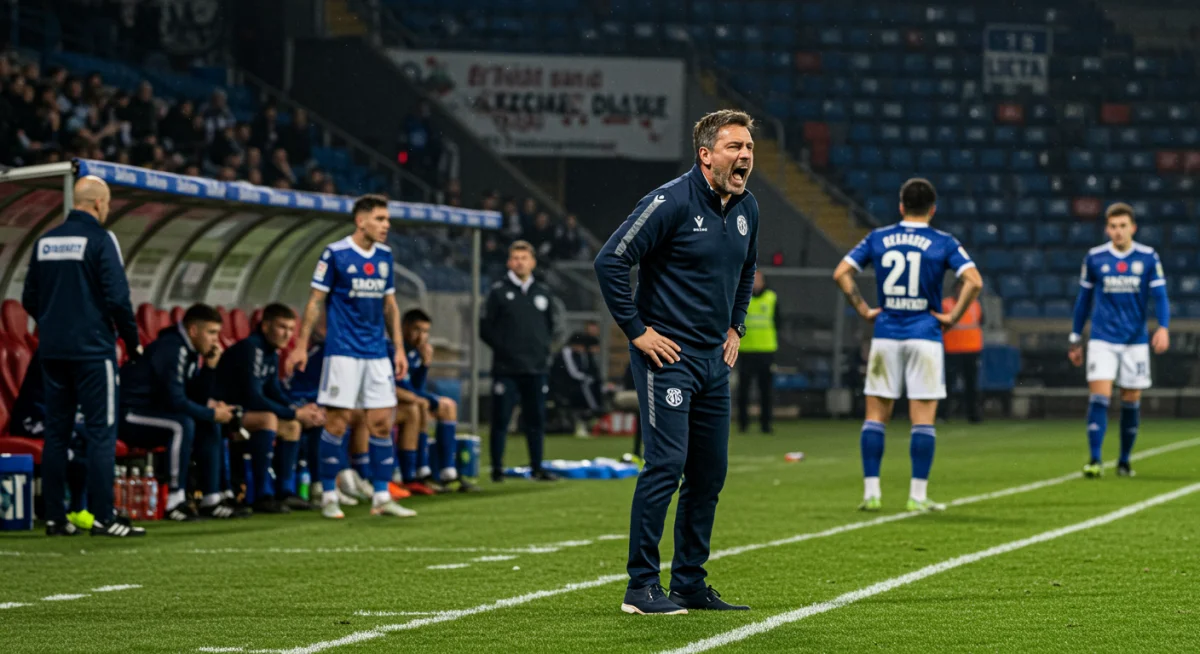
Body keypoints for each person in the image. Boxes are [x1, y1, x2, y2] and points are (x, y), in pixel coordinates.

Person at [594, 109, 758, 615]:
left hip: (713, 361)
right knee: (665, 465)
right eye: (734, 147)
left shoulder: (749, 204)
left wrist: (736, 325)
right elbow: (611, 259)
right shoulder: (668, 201)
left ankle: (688, 582)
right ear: (706, 155)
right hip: (669, 359)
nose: (745, 156)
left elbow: (747, 268)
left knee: (709, 473)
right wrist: (638, 333)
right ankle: (640, 587)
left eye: (749, 148)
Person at [832, 178, 983, 514]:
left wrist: (863, 309)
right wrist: (952, 317)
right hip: (925, 335)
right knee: (923, 420)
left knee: (875, 416)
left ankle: (872, 492)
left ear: (900, 206)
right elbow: (974, 281)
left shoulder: (879, 237)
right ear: (933, 209)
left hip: (886, 334)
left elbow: (841, 272)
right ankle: (917, 495)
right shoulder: (943, 241)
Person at [22, 176, 143, 537]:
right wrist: (131, 339)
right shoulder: (101, 240)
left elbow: (30, 297)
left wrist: (53, 323)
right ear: (99, 203)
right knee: (100, 433)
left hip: (53, 351)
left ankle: (57, 518)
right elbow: (118, 297)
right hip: (93, 352)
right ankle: (103, 516)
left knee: (56, 433)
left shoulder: (44, 242)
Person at [286, 194, 413, 519]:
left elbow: (390, 306)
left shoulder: (385, 256)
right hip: (342, 352)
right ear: (361, 221)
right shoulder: (336, 254)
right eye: (380, 219)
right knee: (338, 422)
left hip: (375, 353)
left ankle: (382, 496)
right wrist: (301, 345)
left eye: (387, 219)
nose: (386, 225)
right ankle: (328, 493)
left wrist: (398, 348)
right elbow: (316, 301)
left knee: (381, 423)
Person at [1068, 203, 1170, 478]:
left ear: (1133, 228)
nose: (1118, 231)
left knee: (1130, 399)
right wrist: (1076, 337)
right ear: (1107, 229)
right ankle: (1095, 460)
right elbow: (1083, 300)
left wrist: (1163, 327)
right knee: (1099, 397)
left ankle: (1124, 461)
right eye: (1113, 226)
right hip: (1102, 338)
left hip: (1135, 341)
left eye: (1123, 226)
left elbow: (1160, 296)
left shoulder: (1148, 257)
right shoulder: (1095, 257)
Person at [120, 304, 238, 520]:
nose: (216, 340)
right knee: (182, 424)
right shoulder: (172, 348)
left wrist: (210, 369)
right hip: (130, 412)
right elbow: (176, 401)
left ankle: (211, 499)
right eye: (211, 333)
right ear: (193, 330)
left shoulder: (190, 351)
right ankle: (174, 500)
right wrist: (211, 413)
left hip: (156, 412)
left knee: (207, 422)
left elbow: (194, 397)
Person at [216, 304, 323, 513]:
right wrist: (294, 412)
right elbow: (254, 397)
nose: (287, 334)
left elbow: (273, 390)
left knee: (293, 426)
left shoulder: (271, 351)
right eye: (282, 327)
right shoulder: (251, 348)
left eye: (291, 329)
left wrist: (298, 410)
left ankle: (285, 491)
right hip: (225, 413)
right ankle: (262, 494)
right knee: (269, 419)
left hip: (247, 413)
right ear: (265, 326)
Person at [480, 240, 560, 483]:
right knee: (501, 420)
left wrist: (543, 350)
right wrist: (507, 350)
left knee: (536, 420)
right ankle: (497, 469)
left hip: (536, 369)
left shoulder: (543, 292)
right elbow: (485, 329)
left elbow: (551, 327)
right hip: (507, 369)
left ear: (533, 262)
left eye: (524, 258)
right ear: (508, 262)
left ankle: (537, 468)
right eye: (515, 258)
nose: (520, 262)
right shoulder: (498, 292)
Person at [10, 347, 92, 533]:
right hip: (32, 418)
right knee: (67, 444)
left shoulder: (74, 347)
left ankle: (80, 508)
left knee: (88, 438)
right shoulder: (52, 350)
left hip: (56, 417)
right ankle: (56, 512)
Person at [394, 308, 477, 492]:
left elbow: (417, 386)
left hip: (412, 395)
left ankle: (448, 472)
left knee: (448, 406)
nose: (421, 336)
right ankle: (421, 470)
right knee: (421, 405)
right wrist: (416, 397)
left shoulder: (417, 352)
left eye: (425, 331)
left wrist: (425, 364)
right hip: (396, 401)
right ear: (404, 327)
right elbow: (396, 385)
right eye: (417, 329)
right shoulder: (395, 349)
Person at [737, 270, 778, 434]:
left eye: (758, 279)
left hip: (766, 351)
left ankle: (766, 424)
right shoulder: (741, 298)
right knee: (743, 390)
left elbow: (777, 322)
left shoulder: (771, 298)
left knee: (766, 391)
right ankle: (743, 424)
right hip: (746, 350)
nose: (756, 283)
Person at [940, 280, 984, 423]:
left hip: (972, 349)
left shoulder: (975, 304)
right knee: (948, 384)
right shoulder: (946, 304)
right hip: (952, 349)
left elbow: (980, 322)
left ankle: (973, 415)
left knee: (971, 384)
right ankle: (943, 414)